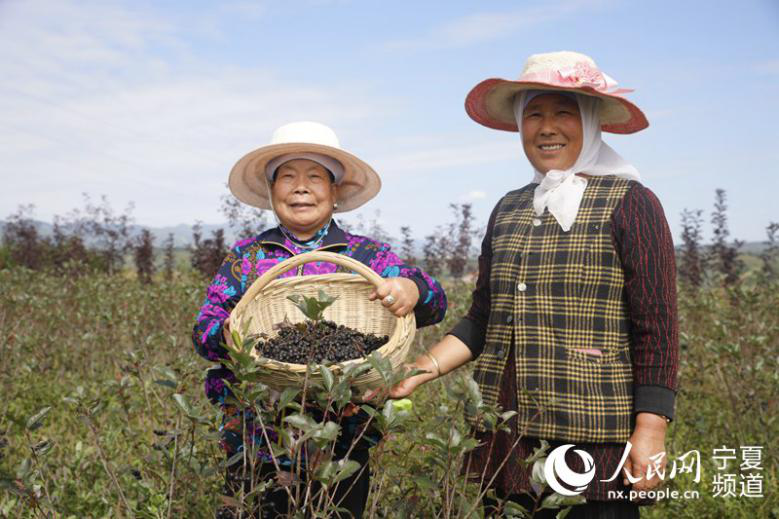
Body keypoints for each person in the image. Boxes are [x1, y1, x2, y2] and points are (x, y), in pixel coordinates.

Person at [391, 51, 678, 518]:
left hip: (593, 438)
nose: (547, 128)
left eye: (563, 113)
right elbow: (482, 319)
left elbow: (658, 328)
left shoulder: (631, 203)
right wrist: (416, 371)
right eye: (534, 115)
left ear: (589, 122)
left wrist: (651, 428)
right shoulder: (509, 208)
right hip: (508, 437)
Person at [193, 121, 447, 518]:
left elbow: (434, 302)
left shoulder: (367, 257)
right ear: (271, 189)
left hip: (342, 438)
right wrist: (225, 334)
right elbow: (204, 326)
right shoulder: (247, 258)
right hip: (258, 436)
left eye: (315, 177)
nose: (300, 187)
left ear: (335, 192)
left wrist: (411, 289)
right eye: (287, 177)